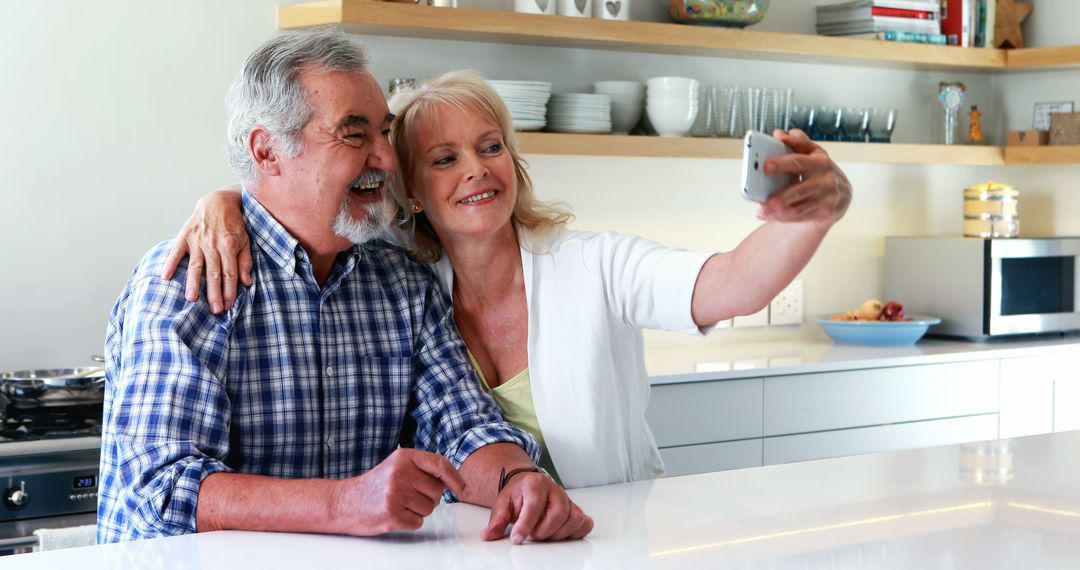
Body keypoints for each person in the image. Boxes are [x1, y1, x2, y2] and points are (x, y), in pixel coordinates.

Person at [166, 71, 853, 489]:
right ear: (408, 188)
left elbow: (729, 283)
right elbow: (305, 198)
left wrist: (814, 215)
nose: (476, 170)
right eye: (444, 158)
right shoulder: (398, 285)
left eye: (491, 147)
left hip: (608, 535)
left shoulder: (592, 263)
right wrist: (225, 199)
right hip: (471, 546)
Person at [98, 31, 592, 545]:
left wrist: (518, 480)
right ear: (267, 151)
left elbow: (464, 427)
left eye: (384, 132)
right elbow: (160, 487)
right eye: (355, 135)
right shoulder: (187, 281)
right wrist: (344, 501)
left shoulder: (401, 283)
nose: (386, 158)